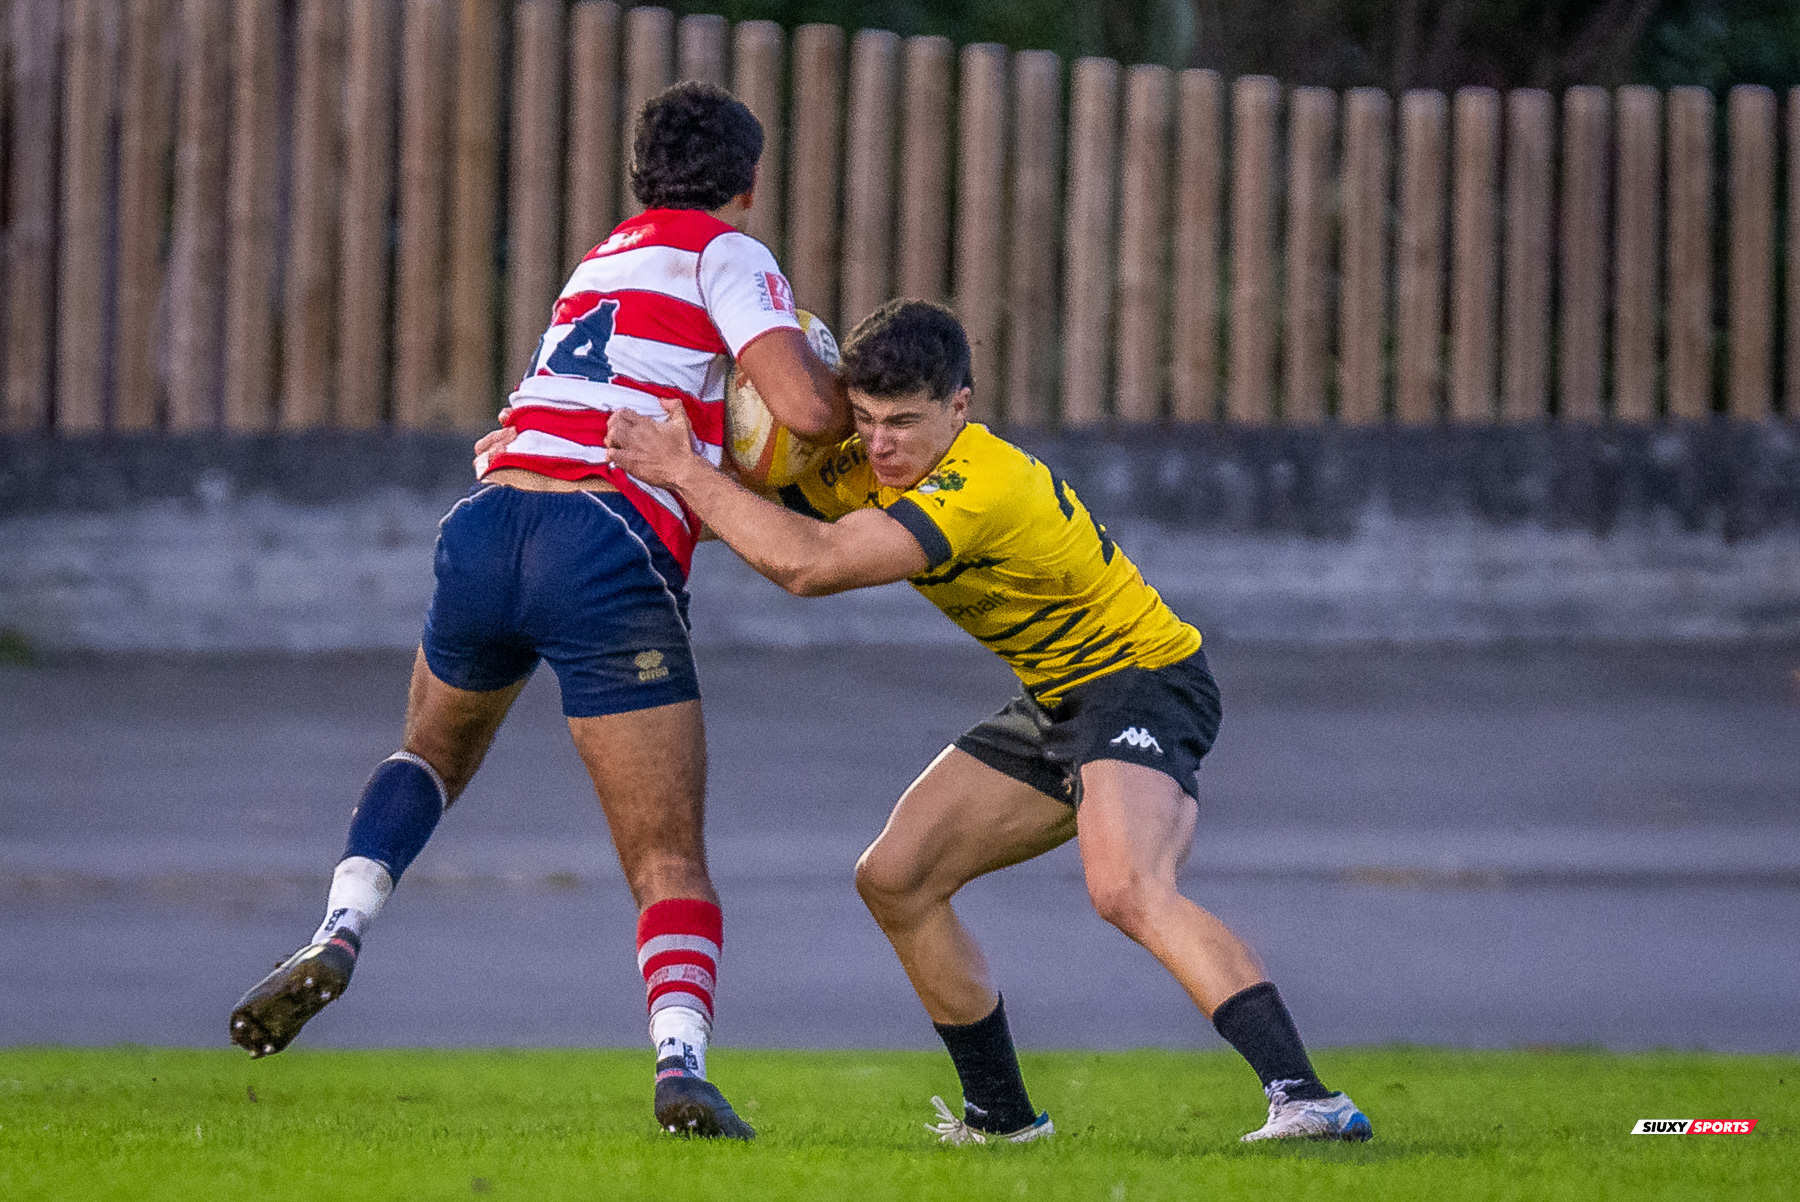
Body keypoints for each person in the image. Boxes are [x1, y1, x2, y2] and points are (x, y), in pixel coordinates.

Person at [590, 298, 1373, 1145]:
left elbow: (809, 566)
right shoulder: (863, 461)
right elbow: (741, 517)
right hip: (1056, 697)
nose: (881, 444)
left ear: (962, 406)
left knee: (1126, 887)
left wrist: (683, 470)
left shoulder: (981, 483)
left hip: (1143, 680)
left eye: (904, 423)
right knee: (896, 878)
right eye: (864, 419)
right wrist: (545, 479)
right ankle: (1002, 1119)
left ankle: (1308, 1100)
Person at [227, 82, 845, 1142]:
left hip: (487, 521)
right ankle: (681, 1062)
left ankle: (341, 923)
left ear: (638, 180)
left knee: (427, 753)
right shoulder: (727, 254)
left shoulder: (600, 260)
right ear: (748, 185)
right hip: (600, 545)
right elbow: (803, 412)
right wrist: (823, 381)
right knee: (666, 855)